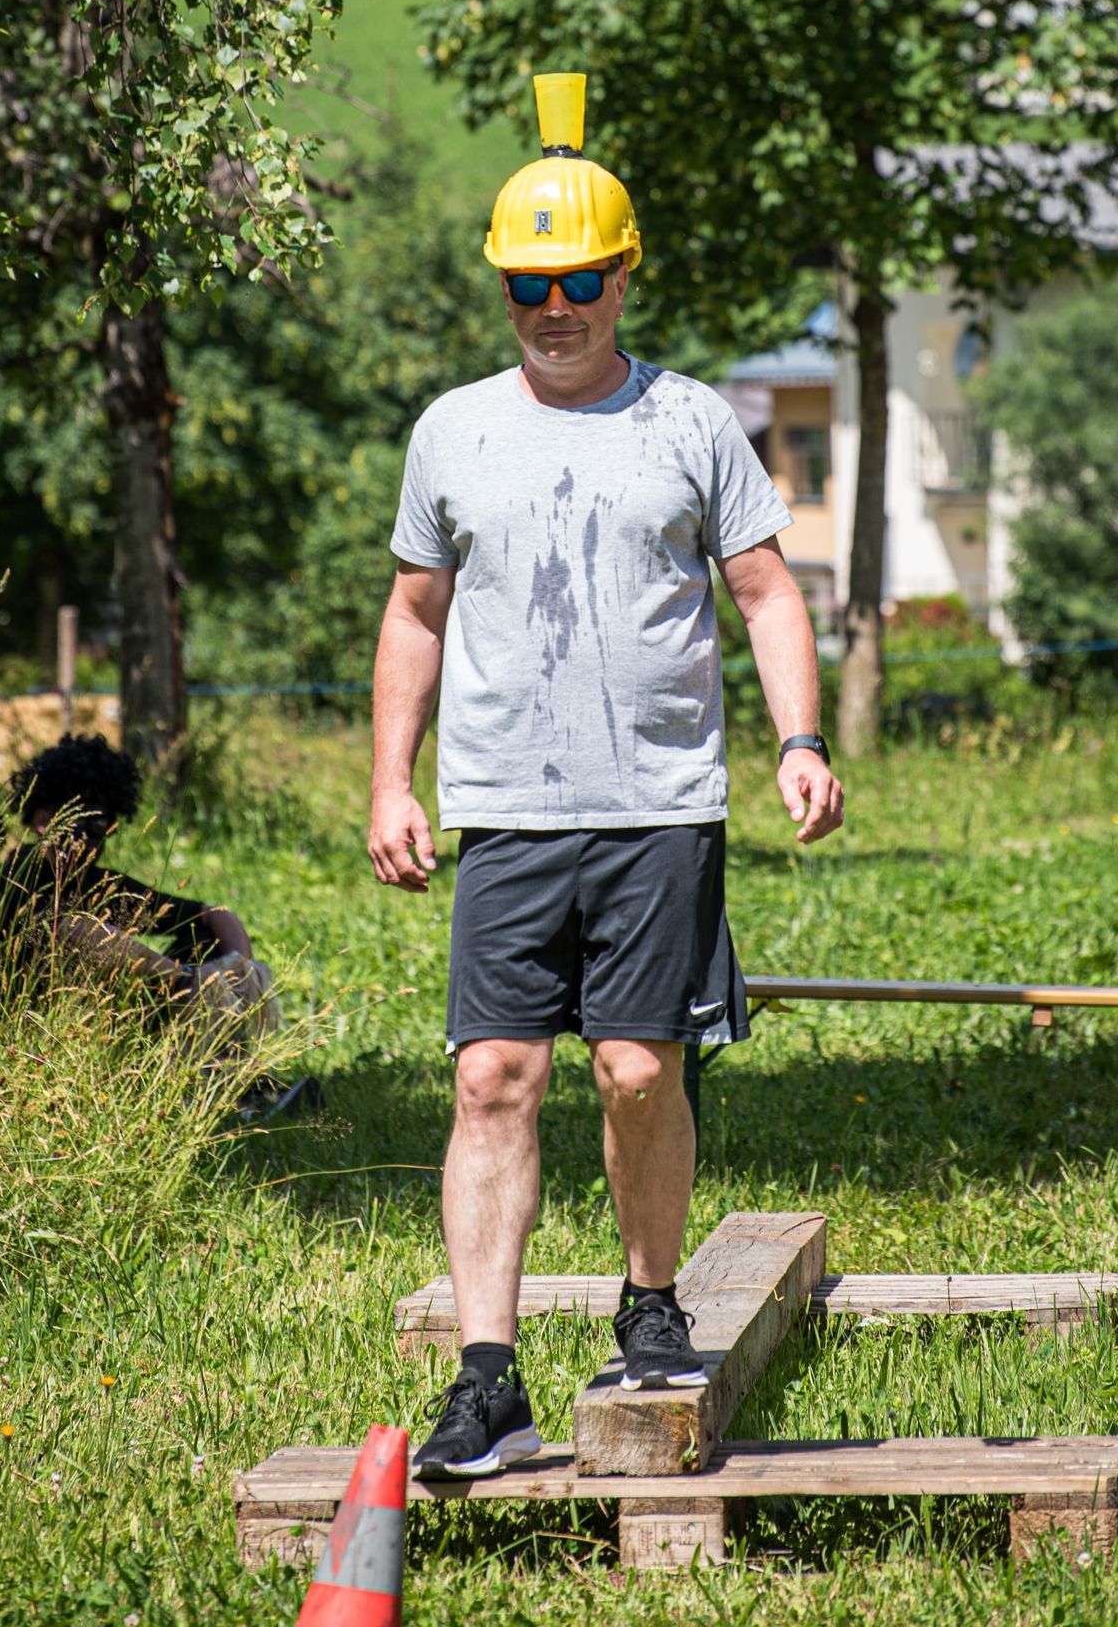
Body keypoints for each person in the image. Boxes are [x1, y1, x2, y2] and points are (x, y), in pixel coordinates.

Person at [369, 72, 845, 1481]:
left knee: (637, 1070)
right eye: (529, 284)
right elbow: (413, 612)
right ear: (503, 289)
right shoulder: (451, 430)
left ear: (623, 275)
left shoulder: (689, 423)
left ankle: (648, 1305)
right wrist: (391, 779)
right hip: (507, 812)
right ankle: (486, 1379)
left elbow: (764, 591)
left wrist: (800, 739)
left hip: (657, 809)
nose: (555, 306)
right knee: (492, 1077)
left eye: (579, 278)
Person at [5, 733, 281, 1050]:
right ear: (43, 822)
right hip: (36, 1031)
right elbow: (72, 929)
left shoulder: (98, 883)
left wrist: (242, 973)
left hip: (104, 1023)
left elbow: (214, 915)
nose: (90, 844)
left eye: (100, 831)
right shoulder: (20, 873)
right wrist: (183, 978)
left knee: (205, 941)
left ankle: (220, 1056)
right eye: (82, 827)